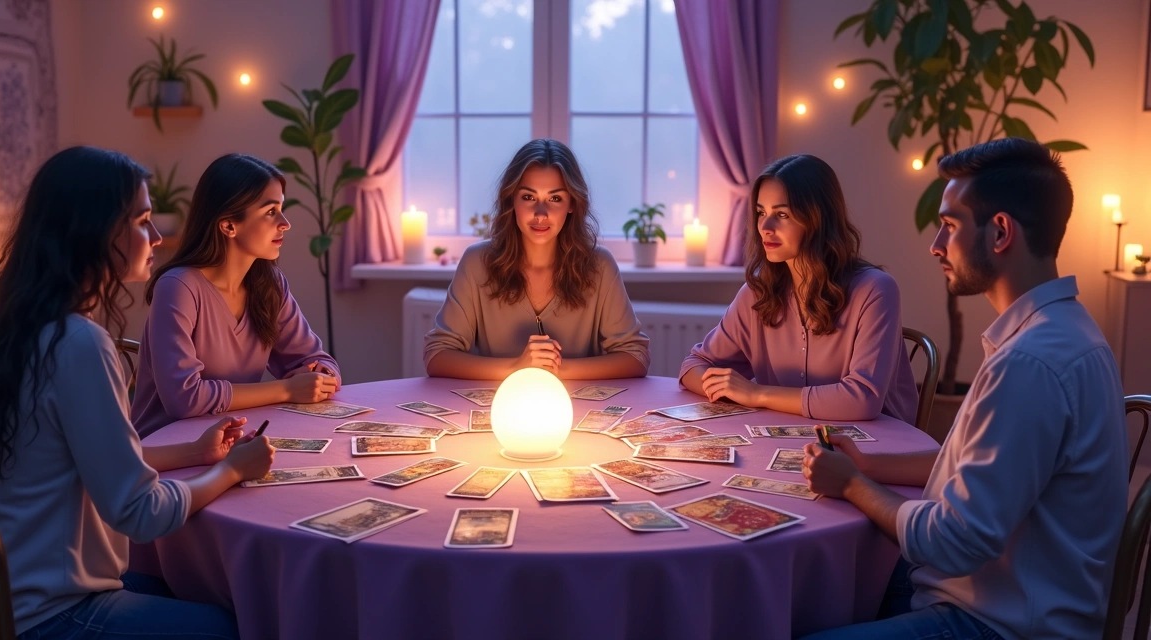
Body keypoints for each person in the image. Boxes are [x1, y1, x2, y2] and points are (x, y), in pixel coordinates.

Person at [803, 138, 1128, 639]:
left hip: (998, 621)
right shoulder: (1063, 332)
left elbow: (954, 542)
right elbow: (977, 468)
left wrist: (850, 484)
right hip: (1003, 597)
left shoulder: (1031, 363)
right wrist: (866, 464)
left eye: (950, 225)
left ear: (1000, 232)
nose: (935, 244)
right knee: (817, 593)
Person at [0, 146, 275, 640]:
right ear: (98, 231)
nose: (157, 236)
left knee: (199, 589)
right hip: (44, 616)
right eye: (143, 220)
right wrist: (233, 470)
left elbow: (74, 461)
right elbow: (141, 514)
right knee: (237, 625)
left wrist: (193, 451)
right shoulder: (79, 344)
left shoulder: (24, 329)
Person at [679, 154, 917, 423]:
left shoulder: (875, 290)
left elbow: (862, 400)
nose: (765, 228)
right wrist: (724, 387)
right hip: (785, 442)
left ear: (818, 219)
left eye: (782, 214)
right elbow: (693, 366)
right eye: (761, 213)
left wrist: (757, 394)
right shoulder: (758, 292)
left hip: (872, 450)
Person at [133, 154, 339, 437]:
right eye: (270, 212)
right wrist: (288, 388)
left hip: (234, 441)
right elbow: (184, 400)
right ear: (228, 225)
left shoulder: (271, 284)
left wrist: (321, 377)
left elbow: (317, 359)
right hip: (167, 450)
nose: (285, 223)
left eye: (281, 209)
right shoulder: (178, 287)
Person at [424, 138, 650, 380]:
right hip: (500, 408)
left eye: (555, 199)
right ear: (512, 199)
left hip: (574, 409)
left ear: (572, 204)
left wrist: (559, 369)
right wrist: (516, 368)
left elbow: (636, 357)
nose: (541, 214)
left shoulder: (599, 265)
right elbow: (437, 356)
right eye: (529, 197)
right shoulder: (476, 262)